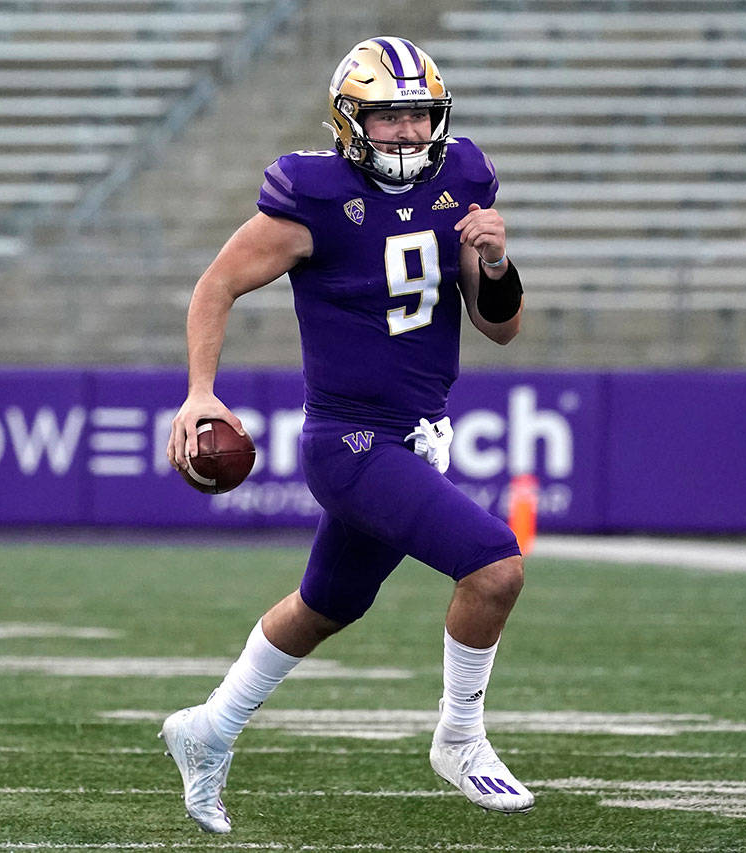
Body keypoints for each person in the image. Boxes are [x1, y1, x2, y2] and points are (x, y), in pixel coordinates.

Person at [159, 36, 532, 833]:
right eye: (387, 116)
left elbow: (498, 328)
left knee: (325, 605)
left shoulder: (463, 176)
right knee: (494, 567)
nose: (404, 131)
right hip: (351, 443)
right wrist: (198, 394)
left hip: (420, 433)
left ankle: (207, 729)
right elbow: (217, 284)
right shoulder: (313, 195)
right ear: (348, 119)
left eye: (417, 115)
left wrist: (494, 264)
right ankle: (460, 738)